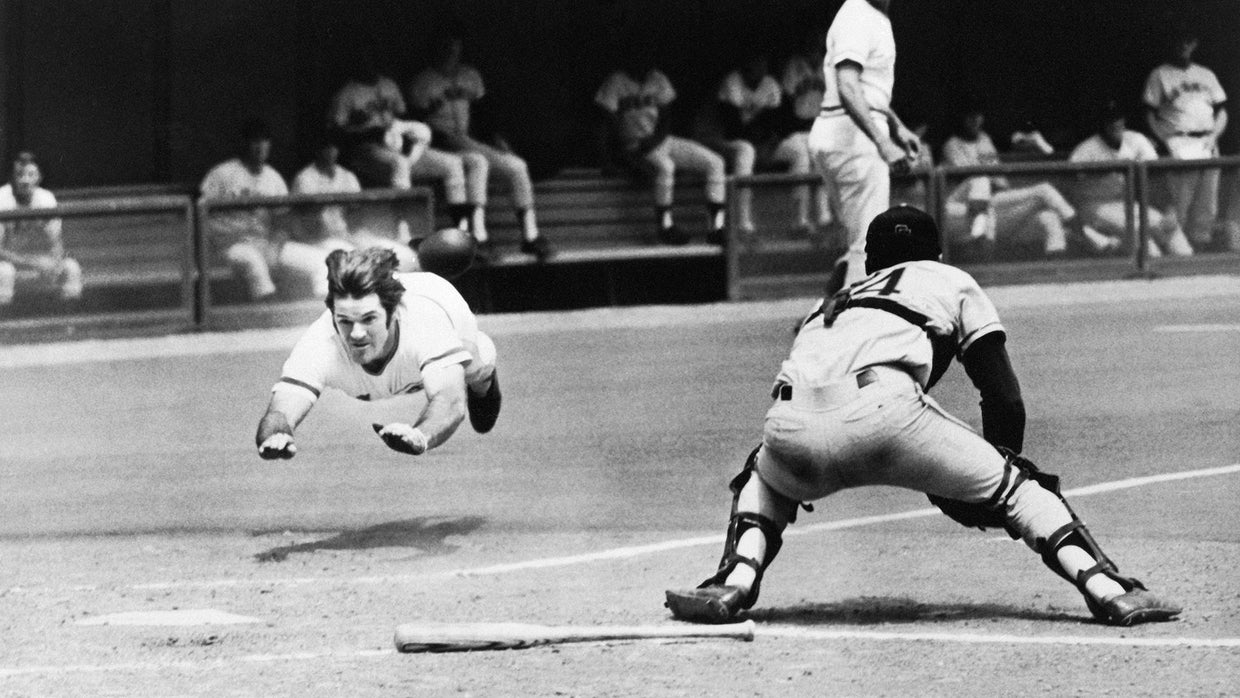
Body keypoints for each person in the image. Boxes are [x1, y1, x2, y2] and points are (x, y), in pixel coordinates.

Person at [664, 204, 1183, 628]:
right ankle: (1110, 589)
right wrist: (994, 479)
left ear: (871, 260)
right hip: (885, 413)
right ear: (935, 252)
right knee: (1023, 489)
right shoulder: (948, 279)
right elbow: (1003, 397)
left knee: (762, 473)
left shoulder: (835, 300)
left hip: (788, 423)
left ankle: (733, 580)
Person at [255, 247, 502, 461]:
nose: (357, 333)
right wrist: (276, 433)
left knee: (472, 372)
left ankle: (485, 378)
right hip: (400, 360)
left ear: (393, 313)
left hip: (440, 301)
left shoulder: (426, 323)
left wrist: (420, 434)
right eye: (345, 321)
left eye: (369, 319)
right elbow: (281, 410)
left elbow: (450, 401)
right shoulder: (320, 342)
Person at [408, 35, 555, 262]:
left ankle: (530, 236)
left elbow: (484, 114)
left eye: (455, 48)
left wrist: (498, 140)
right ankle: (479, 236)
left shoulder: (470, 76)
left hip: (466, 141)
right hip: (438, 145)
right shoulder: (424, 81)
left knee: (516, 166)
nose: (450, 52)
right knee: (479, 160)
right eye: (445, 47)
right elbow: (416, 123)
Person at [810, 0, 921, 290]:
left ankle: (827, 308)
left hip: (844, 135)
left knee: (859, 239)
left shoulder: (872, 16)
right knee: (870, 244)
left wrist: (896, 125)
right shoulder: (857, 15)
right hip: (852, 140)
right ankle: (848, 323)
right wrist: (883, 142)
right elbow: (847, 86)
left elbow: (867, 89)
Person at [329, 64, 491, 256]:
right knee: (401, 163)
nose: (369, 61)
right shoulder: (347, 93)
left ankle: (462, 232)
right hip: (366, 150)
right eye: (364, 57)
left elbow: (405, 116)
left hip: (396, 144)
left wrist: (405, 136)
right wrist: (360, 128)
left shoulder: (388, 85)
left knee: (452, 164)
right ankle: (405, 235)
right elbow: (335, 132)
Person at [941, 102, 1120, 261]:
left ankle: (1054, 275)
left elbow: (1000, 181)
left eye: (977, 116)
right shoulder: (952, 144)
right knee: (1042, 190)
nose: (974, 121)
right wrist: (995, 179)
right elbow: (973, 179)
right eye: (969, 117)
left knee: (1049, 217)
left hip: (996, 207)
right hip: (964, 209)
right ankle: (1093, 238)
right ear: (960, 119)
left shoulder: (985, 139)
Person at [595, 58, 728, 246]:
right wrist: (609, 159)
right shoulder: (616, 81)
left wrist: (655, 140)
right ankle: (665, 227)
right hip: (634, 145)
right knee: (666, 167)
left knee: (716, 162)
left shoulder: (657, 78)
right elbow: (604, 123)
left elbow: (667, 118)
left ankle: (717, 228)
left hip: (660, 140)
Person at [200, 118, 325, 300]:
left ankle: (323, 315)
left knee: (321, 261)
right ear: (244, 144)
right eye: (254, 141)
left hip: (264, 243)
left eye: (264, 141)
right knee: (253, 261)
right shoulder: (222, 173)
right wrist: (215, 243)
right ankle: (267, 315)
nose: (260, 147)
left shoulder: (274, 178)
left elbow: (283, 219)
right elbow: (201, 211)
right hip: (231, 246)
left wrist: (275, 244)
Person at [1143, 27, 1234, 252]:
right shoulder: (1160, 74)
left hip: (1208, 140)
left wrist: (1214, 135)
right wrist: (1164, 139)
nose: (1184, 46)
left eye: (1188, 41)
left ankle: (1200, 249)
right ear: (1171, 43)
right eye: (1179, 40)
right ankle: (1176, 250)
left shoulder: (1206, 73)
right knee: (1180, 200)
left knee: (1208, 202)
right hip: (1180, 140)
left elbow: (1221, 110)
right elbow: (1149, 112)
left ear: (1194, 44)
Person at [1069, 104, 1194, 258]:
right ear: (1102, 126)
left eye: (1119, 123)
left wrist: (1169, 210)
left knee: (1168, 226)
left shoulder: (1136, 140)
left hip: (1127, 203)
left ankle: (1188, 266)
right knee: (1138, 232)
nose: (1117, 128)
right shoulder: (1085, 151)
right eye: (1111, 124)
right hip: (1094, 206)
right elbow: (1069, 189)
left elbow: (1156, 177)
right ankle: (1150, 271)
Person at [291, 132, 419, 271]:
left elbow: (357, 214)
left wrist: (353, 233)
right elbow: (307, 222)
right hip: (319, 240)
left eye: (333, 147)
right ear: (317, 150)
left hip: (348, 235)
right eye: (326, 148)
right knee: (354, 262)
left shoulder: (347, 176)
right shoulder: (305, 178)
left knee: (394, 255)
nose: (330, 152)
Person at [0, 152, 82, 307]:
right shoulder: (1, 199)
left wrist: (55, 262)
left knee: (71, 268)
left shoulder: (46, 199)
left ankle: (69, 321)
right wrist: (33, 263)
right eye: (20, 174)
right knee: (5, 272)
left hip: (36, 263)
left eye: (31, 174)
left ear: (39, 178)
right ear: (12, 178)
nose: (25, 180)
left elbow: (56, 242)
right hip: (7, 264)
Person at [777, 35, 836, 238]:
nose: (814, 51)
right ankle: (799, 220)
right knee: (802, 157)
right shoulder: (794, 66)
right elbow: (784, 106)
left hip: (819, 129)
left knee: (822, 154)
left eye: (818, 47)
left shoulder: (828, 66)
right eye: (811, 47)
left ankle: (824, 218)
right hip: (794, 132)